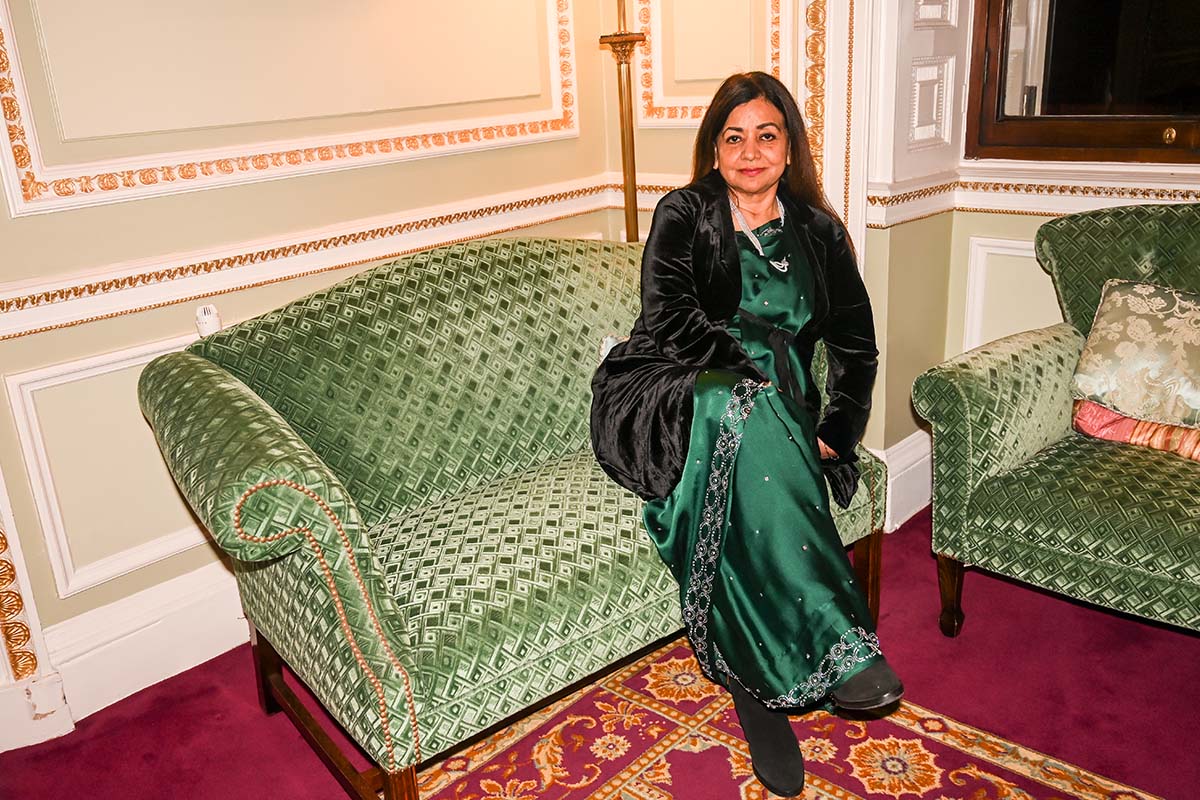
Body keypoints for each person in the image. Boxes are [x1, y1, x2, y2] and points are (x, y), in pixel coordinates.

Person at [590, 72, 902, 798]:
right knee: (746, 408)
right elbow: (671, 321)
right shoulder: (684, 212)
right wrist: (763, 387)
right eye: (734, 137)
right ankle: (844, 648)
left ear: (789, 148)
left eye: (767, 135)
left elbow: (857, 345)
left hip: (777, 410)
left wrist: (834, 430)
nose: (750, 150)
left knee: (758, 442)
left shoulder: (821, 234)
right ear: (715, 148)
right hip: (668, 389)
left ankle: (756, 689)